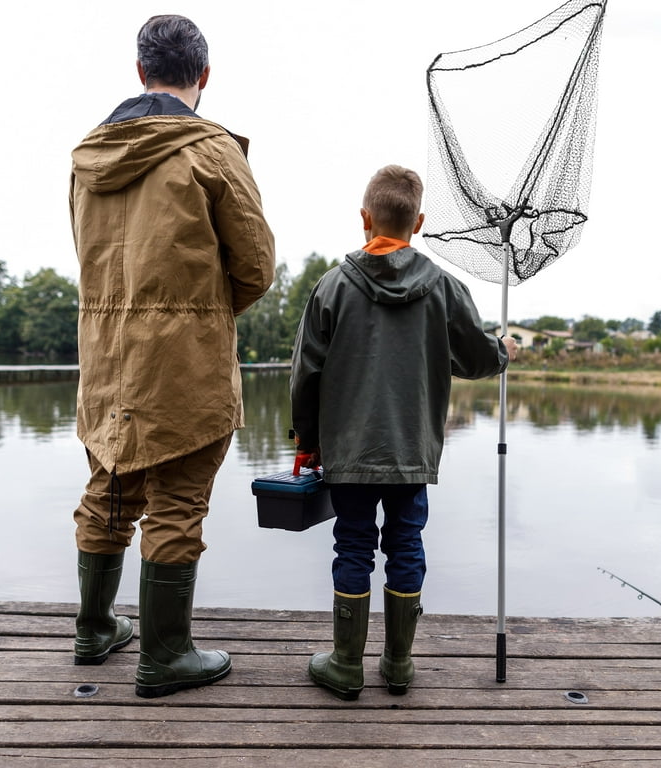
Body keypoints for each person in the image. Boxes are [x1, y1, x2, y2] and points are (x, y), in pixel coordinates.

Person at [69, 14, 275, 699]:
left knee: (110, 489)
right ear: (203, 76)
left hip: (106, 362)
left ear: (139, 73)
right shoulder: (212, 151)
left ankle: (95, 630)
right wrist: (204, 316)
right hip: (185, 362)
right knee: (177, 503)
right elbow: (256, 266)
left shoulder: (87, 159)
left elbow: (90, 260)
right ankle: (164, 656)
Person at [290, 165, 518, 700]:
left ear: (365, 219)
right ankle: (397, 665)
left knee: (352, 544)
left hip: (348, 454)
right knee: (406, 542)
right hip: (412, 451)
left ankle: (346, 666)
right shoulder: (444, 288)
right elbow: (478, 356)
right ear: (417, 222)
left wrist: (307, 441)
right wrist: (504, 352)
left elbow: (305, 371)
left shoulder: (332, 286)